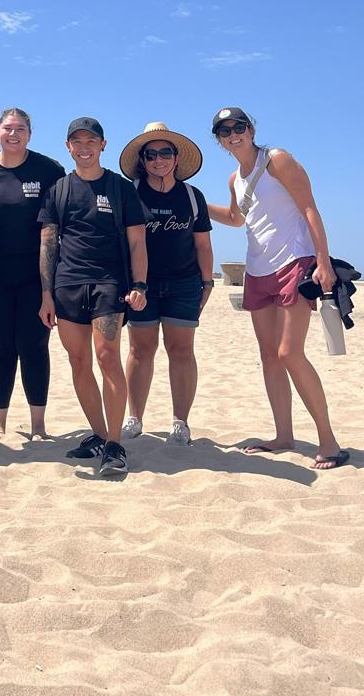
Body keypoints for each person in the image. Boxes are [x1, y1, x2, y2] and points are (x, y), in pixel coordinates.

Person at [207, 107, 347, 469]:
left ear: (251, 129)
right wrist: (196, 203)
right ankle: (283, 435)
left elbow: (310, 208)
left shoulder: (277, 160)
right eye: (225, 131)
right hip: (257, 270)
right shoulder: (234, 178)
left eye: (239, 126)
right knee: (269, 355)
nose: (233, 134)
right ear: (219, 140)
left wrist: (324, 261)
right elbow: (237, 220)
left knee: (289, 353)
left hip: (294, 264)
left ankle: (328, 441)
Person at [38, 117, 148, 478]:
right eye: (77, 141)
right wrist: (46, 294)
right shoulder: (58, 190)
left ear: (103, 145)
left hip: (109, 283)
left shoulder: (120, 189)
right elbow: (48, 242)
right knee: (78, 361)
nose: (84, 146)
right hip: (68, 285)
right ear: (68, 146)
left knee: (107, 357)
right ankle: (99, 435)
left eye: (91, 140)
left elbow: (136, 241)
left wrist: (140, 284)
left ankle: (115, 444)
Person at [117, 122, 214, 446]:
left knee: (182, 350)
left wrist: (207, 283)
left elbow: (203, 244)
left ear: (176, 158)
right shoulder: (129, 191)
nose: (159, 160)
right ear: (142, 160)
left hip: (184, 283)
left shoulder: (192, 196)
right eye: (151, 154)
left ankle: (180, 422)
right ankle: (134, 417)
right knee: (140, 350)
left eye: (165, 153)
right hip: (141, 284)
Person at [0, 108, 63, 441]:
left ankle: (38, 424)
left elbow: (58, 227)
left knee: (34, 345)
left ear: (30, 133)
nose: (14, 134)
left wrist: (50, 286)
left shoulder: (49, 170)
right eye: (8, 128)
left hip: (36, 277)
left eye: (21, 129)